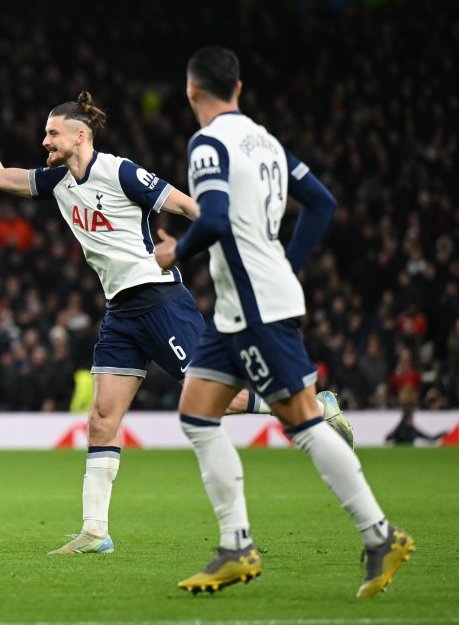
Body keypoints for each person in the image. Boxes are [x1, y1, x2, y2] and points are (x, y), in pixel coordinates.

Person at [0, 72, 352, 556]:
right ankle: (95, 532)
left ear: (80, 135)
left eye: (52, 133)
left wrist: (198, 246)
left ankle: (314, 407)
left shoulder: (121, 172)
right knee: (101, 417)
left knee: (215, 399)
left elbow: (188, 206)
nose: (45, 141)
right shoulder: (58, 181)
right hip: (120, 310)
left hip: (160, 299)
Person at [155, 47, 413, 598]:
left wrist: (177, 253)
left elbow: (217, 217)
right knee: (198, 412)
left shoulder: (208, 143)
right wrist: (287, 265)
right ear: (240, 89)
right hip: (241, 307)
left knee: (302, 422)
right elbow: (321, 203)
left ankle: (379, 534)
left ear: (192, 91)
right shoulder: (266, 141)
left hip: (255, 310)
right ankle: (236, 545)